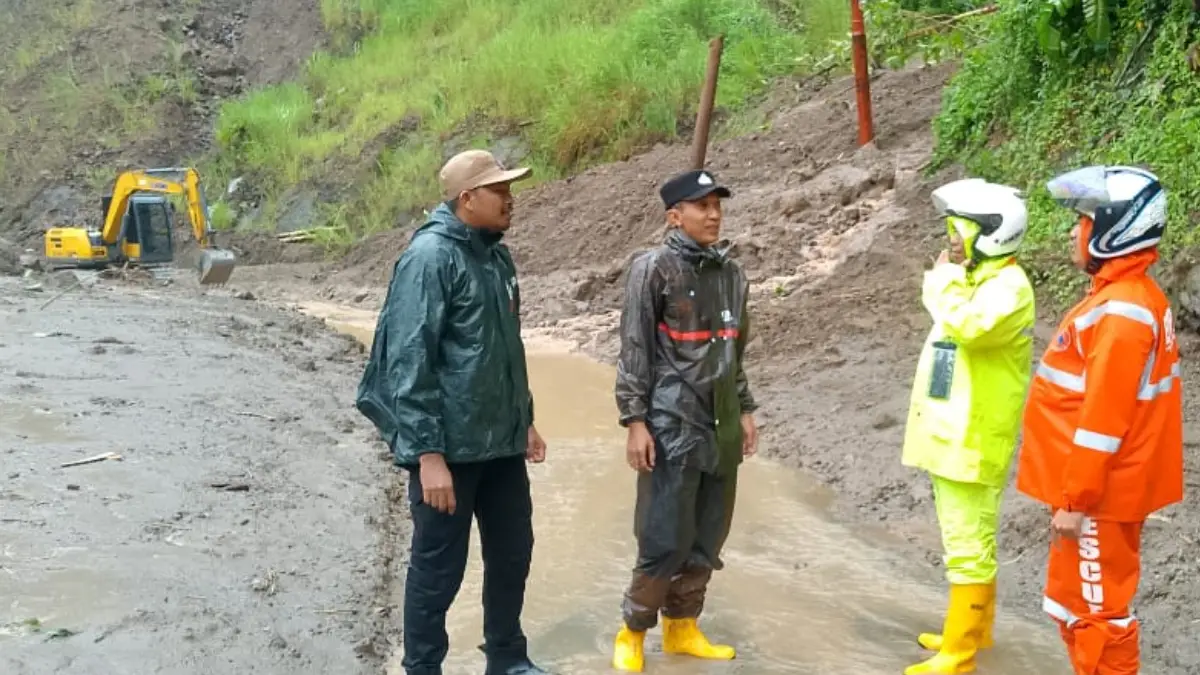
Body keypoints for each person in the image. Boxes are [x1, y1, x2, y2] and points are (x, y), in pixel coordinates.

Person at [355, 149, 554, 675]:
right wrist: (427, 455)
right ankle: (423, 668)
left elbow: (504, 349)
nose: (510, 198)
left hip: (501, 443)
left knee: (513, 553)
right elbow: (409, 362)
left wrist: (524, 418)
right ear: (467, 199)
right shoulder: (429, 259)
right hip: (450, 449)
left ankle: (507, 658)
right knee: (438, 568)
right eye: (499, 190)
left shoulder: (496, 256)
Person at [1016, 165, 1183, 675]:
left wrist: (1076, 501)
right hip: (1096, 490)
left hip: (1098, 496)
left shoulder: (1122, 312)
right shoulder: (1124, 299)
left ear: (1115, 229)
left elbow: (1103, 421)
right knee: (1075, 607)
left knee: (1099, 617)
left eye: (1085, 219)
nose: (1074, 229)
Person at [610, 168, 758, 673]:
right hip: (671, 421)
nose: (714, 213)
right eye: (702, 205)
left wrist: (746, 409)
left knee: (708, 532)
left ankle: (682, 628)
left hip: (722, 422)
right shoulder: (652, 269)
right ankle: (632, 631)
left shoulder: (731, 274)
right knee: (664, 533)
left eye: (718, 204)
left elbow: (735, 352)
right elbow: (635, 350)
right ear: (675, 216)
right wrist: (635, 420)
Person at [899, 178, 1036, 675]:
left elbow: (968, 326)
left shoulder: (1007, 289)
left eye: (957, 230)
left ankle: (958, 655)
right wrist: (954, 277)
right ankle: (972, 629)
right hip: (952, 436)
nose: (950, 240)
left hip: (972, 439)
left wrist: (941, 280)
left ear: (989, 233)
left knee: (967, 543)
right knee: (967, 536)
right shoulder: (981, 279)